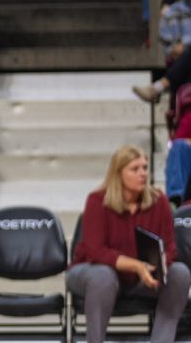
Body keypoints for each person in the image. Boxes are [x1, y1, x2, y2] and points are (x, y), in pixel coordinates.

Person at [68, 145, 190, 343]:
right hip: (93, 273)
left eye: (145, 168)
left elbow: (170, 248)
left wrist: (157, 268)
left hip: (143, 278)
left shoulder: (159, 202)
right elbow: (95, 251)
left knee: (180, 273)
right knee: (102, 276)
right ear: (118, 173)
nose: (143, 174)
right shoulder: (97, 201)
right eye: (135, 169)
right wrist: (137, 266)